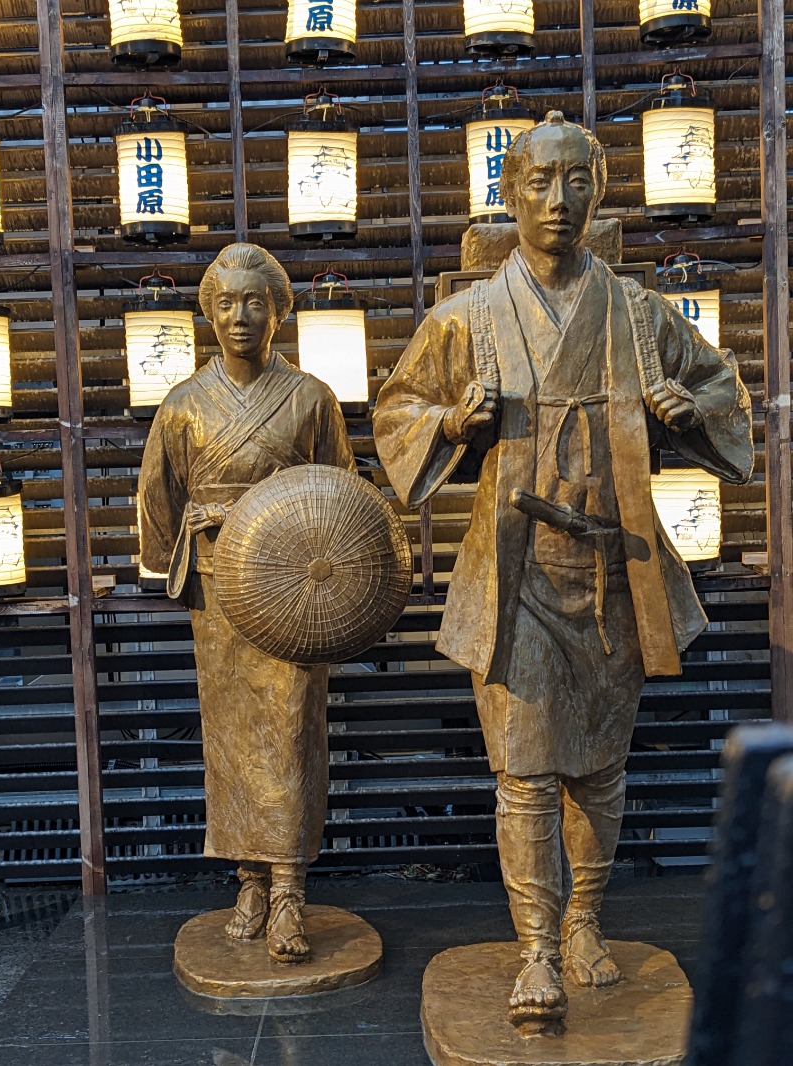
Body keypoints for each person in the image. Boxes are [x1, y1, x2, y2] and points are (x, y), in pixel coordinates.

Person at [373, 112, 753, 1031]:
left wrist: (681, 409)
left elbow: (723, 389)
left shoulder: (637, 311)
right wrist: (456, 425)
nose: (558, 201)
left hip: (615, 572)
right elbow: (398, 410)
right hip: (515, 579)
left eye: (576, 181)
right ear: (509, 195)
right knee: (525, 775)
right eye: (539, 183)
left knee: (601, 773)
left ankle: (586, 921)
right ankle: (537, 947)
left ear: (601, 190)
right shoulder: (466, 318)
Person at [139, 243, 355, 963]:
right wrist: (178, 561)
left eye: (255, 302)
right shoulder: (181, 407)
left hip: (293, 587)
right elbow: (160, 499)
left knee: (293, 732)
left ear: (279, 311)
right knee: (231, 737)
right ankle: (249, 879)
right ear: (207, 314)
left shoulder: (312, 399)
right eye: (226, 303)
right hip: (218, 586)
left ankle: (290, 886)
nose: (240, 316)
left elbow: (344, 499)